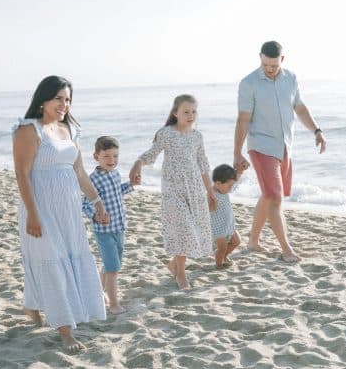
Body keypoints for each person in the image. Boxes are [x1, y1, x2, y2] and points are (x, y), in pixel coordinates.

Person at [12, 75, 110, 352]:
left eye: (67, 99)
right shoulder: (29, 130)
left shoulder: (68, 130)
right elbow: (22, 173)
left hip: (68, 211)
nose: (64, 104)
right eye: (58, 98)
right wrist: (32, 213)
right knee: (50, 261)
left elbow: (78, 171)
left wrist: (97, 201)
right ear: (42, 100)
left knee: (65, 258)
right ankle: (66, 331)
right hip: (40, 208)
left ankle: (31, 306)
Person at [233, 40, 326, 263]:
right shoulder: (249, 83)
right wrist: (237, 152)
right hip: (261, 146)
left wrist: (317, 131)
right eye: (266, 65)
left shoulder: (291, 79)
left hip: (284, 146)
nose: (270, 69)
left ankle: (253, 241)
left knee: (270, 196)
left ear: (282, 60)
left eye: (274, 65)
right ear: (260, 58)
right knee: (275, 197)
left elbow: (300, 108)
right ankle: (286, 249)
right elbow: (243, 119)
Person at [129, 94, 216, 290]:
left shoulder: (197, 136)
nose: (191, 115)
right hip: (172, 189)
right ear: (176, 113)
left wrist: (209, 190)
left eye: (194, 111)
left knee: (192, 230)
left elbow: (203, 164)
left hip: (193, 189)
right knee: (183, 229)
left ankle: (174, 265)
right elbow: (152, 153)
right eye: (186, 111)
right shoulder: (166, 133)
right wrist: (137, 164)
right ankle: (181, 275)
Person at [81, 136, 134, 314]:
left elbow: (117, 192)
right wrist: (96, 216)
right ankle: (113, 305)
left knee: (112, 264)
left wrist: (131, 185)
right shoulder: (93, 179)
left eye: (115, 156)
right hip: (104, 231)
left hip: (119, 227)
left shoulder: (115, 173)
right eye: (107, 156)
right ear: (96, 157)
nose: (112, 160)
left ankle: (99, 294)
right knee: (113, 269)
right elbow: (86, 204)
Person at [209, 164, 241, 269]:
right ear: (218, 183)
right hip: (217, 227)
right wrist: (210, 206)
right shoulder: (211, 195)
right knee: (222, 247)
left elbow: (235, 180)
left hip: (229, 224)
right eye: (229, 186)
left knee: (236, 241)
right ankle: (219, 265)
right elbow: (206, 209)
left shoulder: (224, 189)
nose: (231, 189)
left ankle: (224, 256)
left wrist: (240, 171)